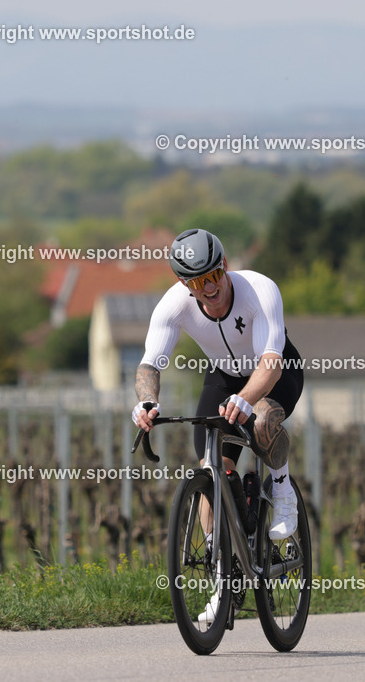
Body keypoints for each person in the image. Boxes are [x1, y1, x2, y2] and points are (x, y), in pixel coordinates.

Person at [132, 227, 305, 624]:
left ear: (224, 266)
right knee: (210, 468)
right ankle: (224, 575)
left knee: (262, 422)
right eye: (196, 281)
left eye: (213, 276)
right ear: (183, 282)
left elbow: (271, 362)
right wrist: (146, 401)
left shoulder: (259, 291)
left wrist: (247, 399)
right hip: (224, 377)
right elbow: (149, 363)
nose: (208, 288)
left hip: (276, 370)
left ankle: (281, 490)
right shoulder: (174, 305)